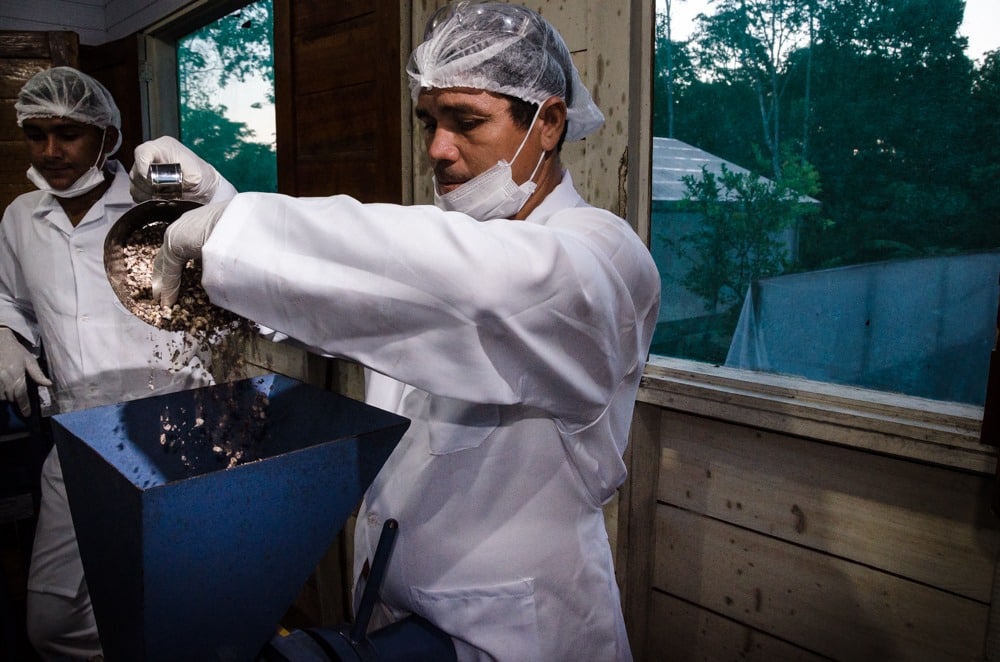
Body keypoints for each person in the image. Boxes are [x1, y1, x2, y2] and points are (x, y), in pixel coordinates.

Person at [151, 2, 660, 659]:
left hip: (516, 630)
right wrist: (225, 209)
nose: (438, 149)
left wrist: (238, 226)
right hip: (390, 611)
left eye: (466, 122)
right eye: (428, 122)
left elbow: (489, 286)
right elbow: (369, 297)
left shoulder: (601, 256)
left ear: (548, 122)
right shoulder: (439, 254)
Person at [0, 66, 234, 661]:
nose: (50, 151)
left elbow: (238, 245)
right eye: (35, 134)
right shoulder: (21, 217)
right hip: (77, 434)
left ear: (106, 136)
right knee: (54, 620)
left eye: (68, 134)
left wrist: (213, 188)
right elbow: (11, 299)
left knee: (185, 596)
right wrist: (5, 333)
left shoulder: (155, 208)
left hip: (175, 427)